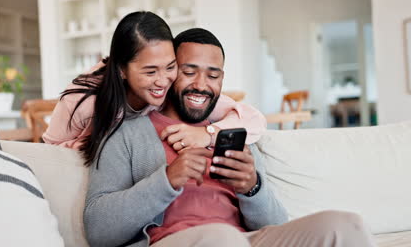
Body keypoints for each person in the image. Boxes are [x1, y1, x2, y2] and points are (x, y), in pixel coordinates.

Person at [83, 28, 376, 247]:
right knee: (221, 239)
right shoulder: (126, 132)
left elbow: (274, 224)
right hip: (174, 241)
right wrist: (167, 179)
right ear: (171, 72)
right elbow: (98, 230)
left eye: (213, 75)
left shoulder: (232, 131)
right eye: (189, 72)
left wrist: (252, 187)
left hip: (243, 240)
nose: (201, 85)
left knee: (346, 225)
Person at [42, 11, 266, 166]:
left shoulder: (173, 88)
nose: (162, 81)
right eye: (150, 72)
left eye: (170, 67)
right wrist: (97, 143)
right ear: (122, 69)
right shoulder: (83, 100)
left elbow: (253, 120)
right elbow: (48, 154)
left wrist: (207, 134)